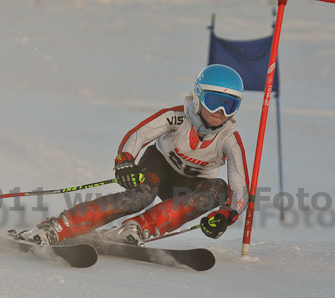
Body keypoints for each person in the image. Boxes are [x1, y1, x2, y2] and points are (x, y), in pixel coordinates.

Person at [19, 64, 250, 246]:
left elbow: (239, 189)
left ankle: (136, 228)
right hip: (158, 166)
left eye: (229, 106)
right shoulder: (177, 117)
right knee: (141, 195)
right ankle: (60, 226)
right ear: (199, 97)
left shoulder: (229, 139)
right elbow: (139, 135)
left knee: (218, 189)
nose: (221, 113)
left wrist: (225, 214)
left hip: (189, 185)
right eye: (215, 102)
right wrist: (125, 162)